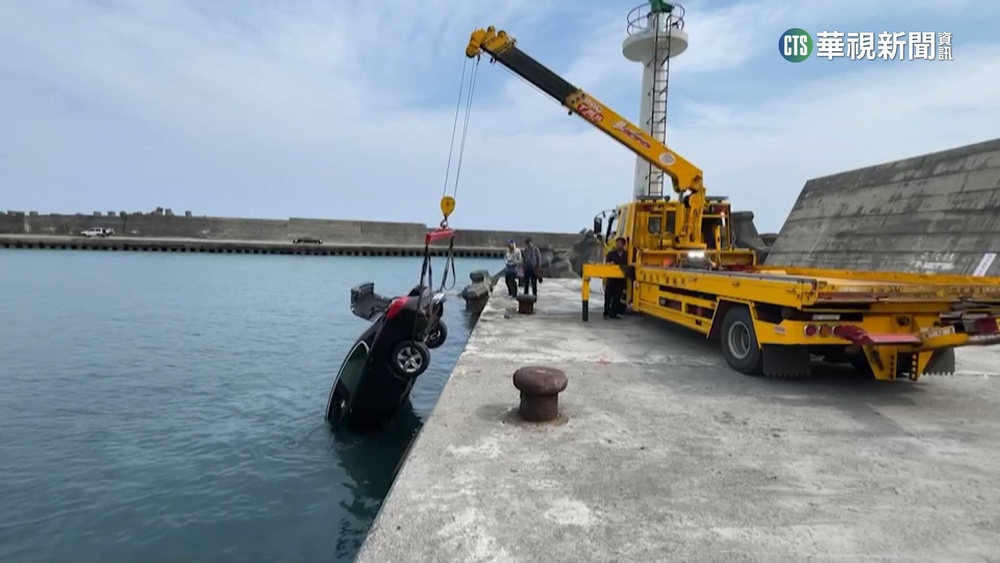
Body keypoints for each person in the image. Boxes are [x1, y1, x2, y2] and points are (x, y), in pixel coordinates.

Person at [604, 237, 628, 319]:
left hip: (620, 280)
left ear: (623, 245)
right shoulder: (611, 254)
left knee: (617, 298)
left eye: (619, 244)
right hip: (611, 279)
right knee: (608, 297)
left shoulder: (626, 254)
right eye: (617, 243)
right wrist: (610, 263)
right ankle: (606, 313)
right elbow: (606, 263)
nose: (617, 245)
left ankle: (613, 314)